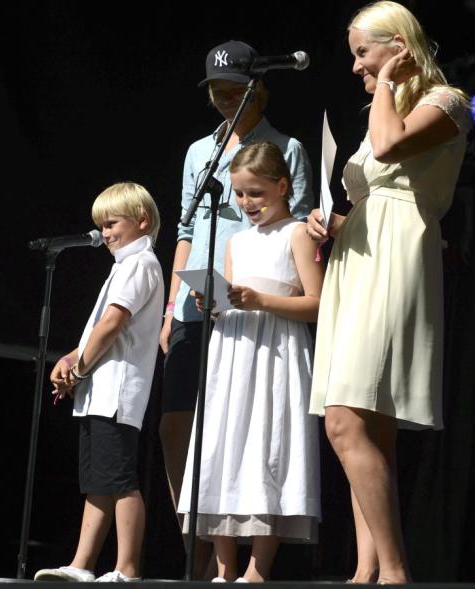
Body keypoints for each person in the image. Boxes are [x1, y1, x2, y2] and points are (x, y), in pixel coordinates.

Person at [306, 1, 471, 584]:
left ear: (398, 45)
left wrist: (392, 83)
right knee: (363, 424)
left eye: (363, 53)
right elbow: (365, 187)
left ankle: (396, 574)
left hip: (399, 254)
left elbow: (388, 148)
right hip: (359, 256)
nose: (356, 68)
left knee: (346, 420)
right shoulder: (389, 104)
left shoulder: (445, 101)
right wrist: (331, 222)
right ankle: (365, 571)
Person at [158, 40, 313, 578]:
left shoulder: (285, 147)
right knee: (179, 425)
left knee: (247, 423)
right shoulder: (201, 152)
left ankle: (226, 557)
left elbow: (300, 221)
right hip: (202, 300)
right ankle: (199, 544)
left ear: (257, 90)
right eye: (216, 92)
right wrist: (172, 306)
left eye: (234, 91)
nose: (225, 99)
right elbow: (184, 227)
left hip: (259, 305)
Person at [177, 142, 323, 583]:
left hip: (275, 352)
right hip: (231, 351)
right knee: (224, 445)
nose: (246, 203)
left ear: (282, 186)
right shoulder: (236, 241)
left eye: (255, 193)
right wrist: (214, 304)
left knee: (267, 447)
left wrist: (261, 300)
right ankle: (224, 568)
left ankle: (258, 570)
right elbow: (229, 299)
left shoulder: (297, 233)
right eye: (240, 194)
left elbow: (318, 304)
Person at [34, 182, 164, 583]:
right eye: (101, 225)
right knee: (98, 481)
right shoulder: (123, 266)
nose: (105, 233)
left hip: (117, 392)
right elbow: (98, 328)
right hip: (98, 390)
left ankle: (127, 567)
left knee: (121, 480)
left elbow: (112, 324)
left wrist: (78, 369)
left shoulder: (141, 263)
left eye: (112, 223)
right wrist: (73, 358)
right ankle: (82, 563)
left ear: (142, 221)